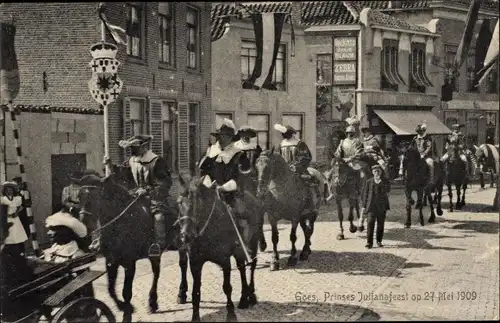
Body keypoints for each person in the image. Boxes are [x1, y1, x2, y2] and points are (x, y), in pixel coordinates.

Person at [103, 134, 173, 257]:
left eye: (135, 148)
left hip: (154, 198)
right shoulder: (131, 160)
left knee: (159, 218)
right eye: (131, 149)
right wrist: (110, 165)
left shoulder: (157, 161)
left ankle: (157, 244)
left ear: (144, 147)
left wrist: (147, 190)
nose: (132, 151)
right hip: (135, 196)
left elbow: (165, 183)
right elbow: (121, 174)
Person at [209, 118, 256, 252]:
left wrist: (223, 188)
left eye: (222, 136)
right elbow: (205, 171)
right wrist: (208, 183)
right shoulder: (212, 152)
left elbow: (241, 178)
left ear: (230, 138)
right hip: (212, 191)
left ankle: (244, 246)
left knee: (240, 215)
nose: (219, 139)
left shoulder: (239, 155)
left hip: (233, 192)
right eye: (218, 136)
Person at [361, 165, 390, 249]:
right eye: (375, 171)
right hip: (371, 206)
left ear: (381, 172)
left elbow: (387, 190)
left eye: (378, 171)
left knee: (380, 224)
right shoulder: (369, 181)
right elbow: (365, 194)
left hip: (382, 206)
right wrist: (364, 206)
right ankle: (369, 242)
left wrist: (381, 182)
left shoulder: (385, 181)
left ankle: (379, 241)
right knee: (370, 223)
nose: (377, 173)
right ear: (372, 172)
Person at [1, 181, 28, 259]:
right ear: (5, 191)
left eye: (11, 189)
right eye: (7, 190)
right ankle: (11, 255)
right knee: (9, 238)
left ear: (13, 190)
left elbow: (21, 207)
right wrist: (7, 215)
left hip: (16, 220)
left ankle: (22, 253)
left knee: (19, 237)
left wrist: (16, 212)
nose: (9, 191)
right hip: (7, 220)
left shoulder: (17, 199)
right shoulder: (3, 199)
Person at [234, 125, 262, 193]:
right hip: (239, 173)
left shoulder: (255, 147)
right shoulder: (236, 146)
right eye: (244, 134)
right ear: (240, 135)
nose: (246, 136)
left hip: (253, 174)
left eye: (248, 135)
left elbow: (261, 160)